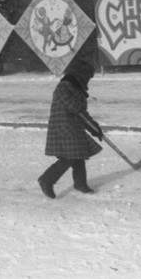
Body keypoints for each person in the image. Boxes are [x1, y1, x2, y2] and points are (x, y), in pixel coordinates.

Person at [37, 58, 103, 198]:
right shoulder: (64, 86)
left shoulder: (77, 88)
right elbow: (70, 105)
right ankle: (46, 180)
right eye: (87, 77)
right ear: (80, 75)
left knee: (78, 154)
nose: (88, 80)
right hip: (63, 127)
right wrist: (78, 109)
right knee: (69, 156)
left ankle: (80, 183)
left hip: (73, 127)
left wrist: (94, 128)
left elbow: (82, 113)